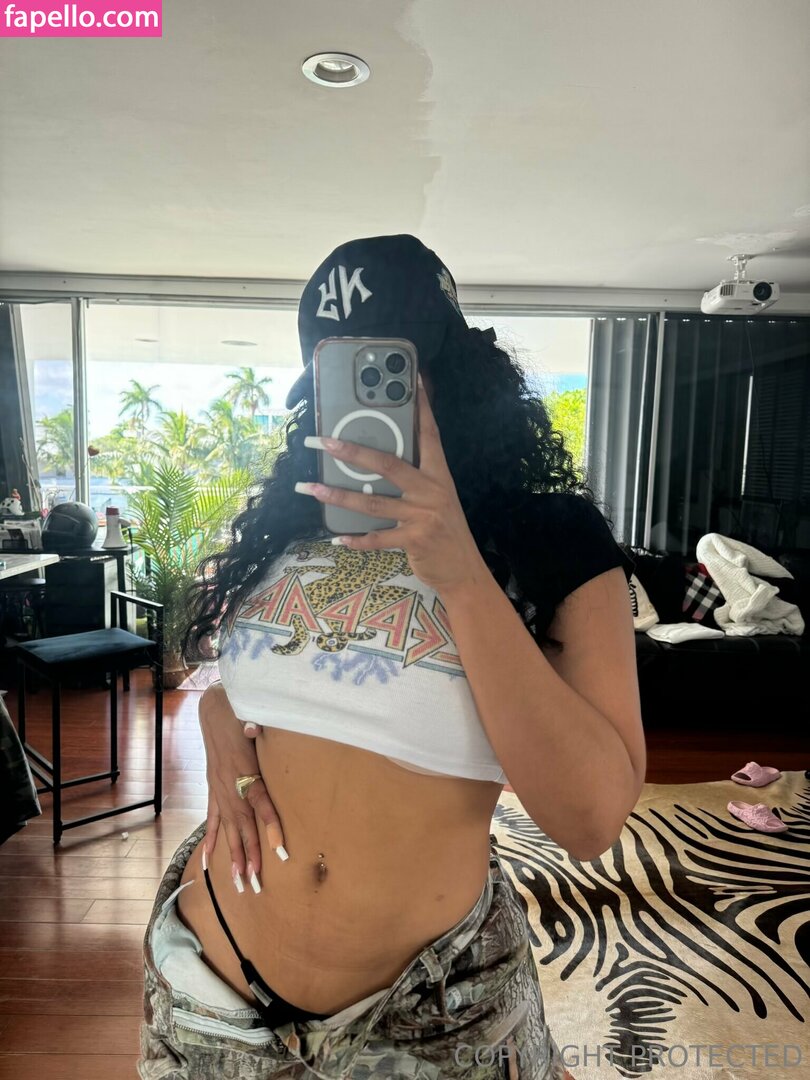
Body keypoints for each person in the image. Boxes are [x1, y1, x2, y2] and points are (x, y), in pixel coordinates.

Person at [136, 234, 645, 1080]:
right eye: (339, 374)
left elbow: (592, 820)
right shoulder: (296, 518)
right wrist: (218, 714)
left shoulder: (552, 538)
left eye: (393, 369)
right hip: (209, 988)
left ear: (459, 371)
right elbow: (261, 673)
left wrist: (461, 571)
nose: (367, 400)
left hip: (433, 1014)